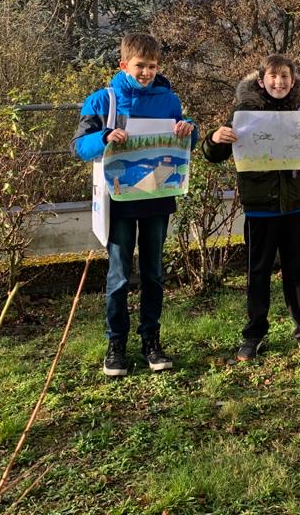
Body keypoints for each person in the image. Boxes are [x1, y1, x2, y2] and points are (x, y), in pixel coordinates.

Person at [72, 33, 198, 377]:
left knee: (154, 274)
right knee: (118, 276)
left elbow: (184, 139)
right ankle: (116, 345)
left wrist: (191, 130)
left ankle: (151, 342)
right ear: (123, 64)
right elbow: (79, 146)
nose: (146, 72)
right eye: (140, 66)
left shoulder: (169, 99)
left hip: (157, 199)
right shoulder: (101, 100)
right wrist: (104, 137)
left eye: (152, 66)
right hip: (119, 203)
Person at [201, 55, 300, 366]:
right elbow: (214, 154)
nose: (279, 82)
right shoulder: (244, 112)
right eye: (273, 76)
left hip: (295, 206)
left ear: (292, 81)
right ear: (261, 80)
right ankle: (254, 334)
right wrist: (215, 139)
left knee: (299, 274)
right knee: (258, 274)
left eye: (285, 76)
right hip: (259, 207)